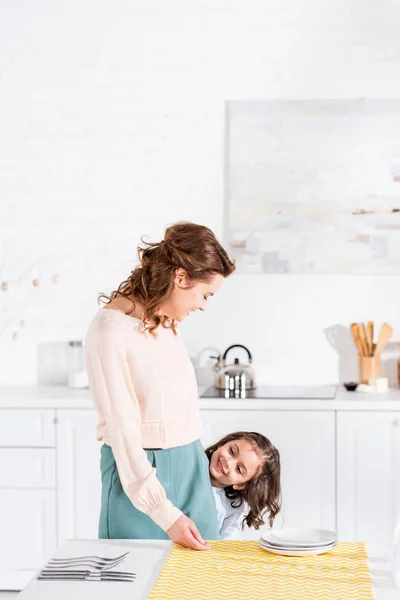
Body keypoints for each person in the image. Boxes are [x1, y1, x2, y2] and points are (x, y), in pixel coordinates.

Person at [84, 221, 235, 551]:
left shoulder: (164, 322)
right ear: (180, 278)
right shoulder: (110, 330)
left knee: (204, 582)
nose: (203, 306)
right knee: (136, 583)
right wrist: (164, 513)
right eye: (205, 294)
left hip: (191, 466)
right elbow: (124, 436)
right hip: (138, 479)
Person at [205, 432, 282, 539]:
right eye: (231, 451)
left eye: (239, 469)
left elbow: (223, 541)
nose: (228, 462)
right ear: (223, 444)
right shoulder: (190, 464)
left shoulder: (233, 506)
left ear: (241, 484)